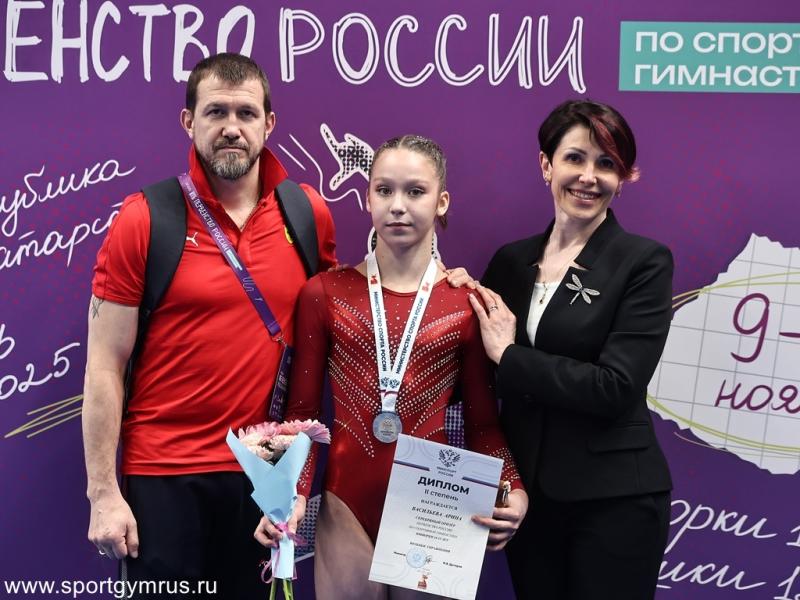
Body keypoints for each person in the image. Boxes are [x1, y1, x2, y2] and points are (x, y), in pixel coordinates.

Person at [81, 53, 337, 598]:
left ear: (269, 123)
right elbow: (104, 365)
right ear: (188, 121)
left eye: (246, 113)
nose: (231, 128)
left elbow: (341, 316)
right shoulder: (144, 217)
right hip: (163, 473)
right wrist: (102, 493)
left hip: (263, 477)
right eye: (215, 111)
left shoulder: (307, 214)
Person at [255, 135, 529, 599]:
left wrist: (513, 487)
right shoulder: (324, 293)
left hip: (433, 506)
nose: (398, 205)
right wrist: (289, 494)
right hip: (345, 505)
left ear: (442, 202)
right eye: (384, 190)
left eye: (415, 191)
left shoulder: (466, 304)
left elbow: (483, 425)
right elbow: (302, 416)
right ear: (367, 198)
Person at [469, 100, 673, 600]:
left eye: (606, 164)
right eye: (575, 158)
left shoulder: (643, 261)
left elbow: (615, 387)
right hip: (528, 501)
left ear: (621, 178)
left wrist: (511, 357)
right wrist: (446, 292)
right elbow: (477, 368)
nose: (588, 177)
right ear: (547, 165)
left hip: (615, 499)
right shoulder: (511, 262)